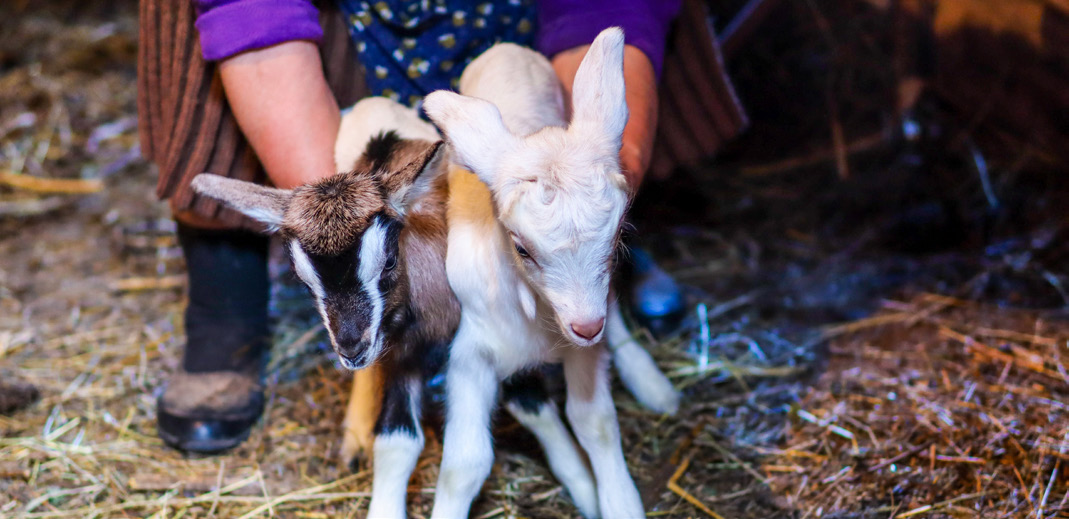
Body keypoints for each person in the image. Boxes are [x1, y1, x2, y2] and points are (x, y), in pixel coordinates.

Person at [139, 0, 746, 453]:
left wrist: (597, 187)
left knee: (538, 111)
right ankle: (226, 278)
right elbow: (253, 12)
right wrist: (338, 220)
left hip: (512, 48)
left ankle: (586, 247)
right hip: (347, 54)